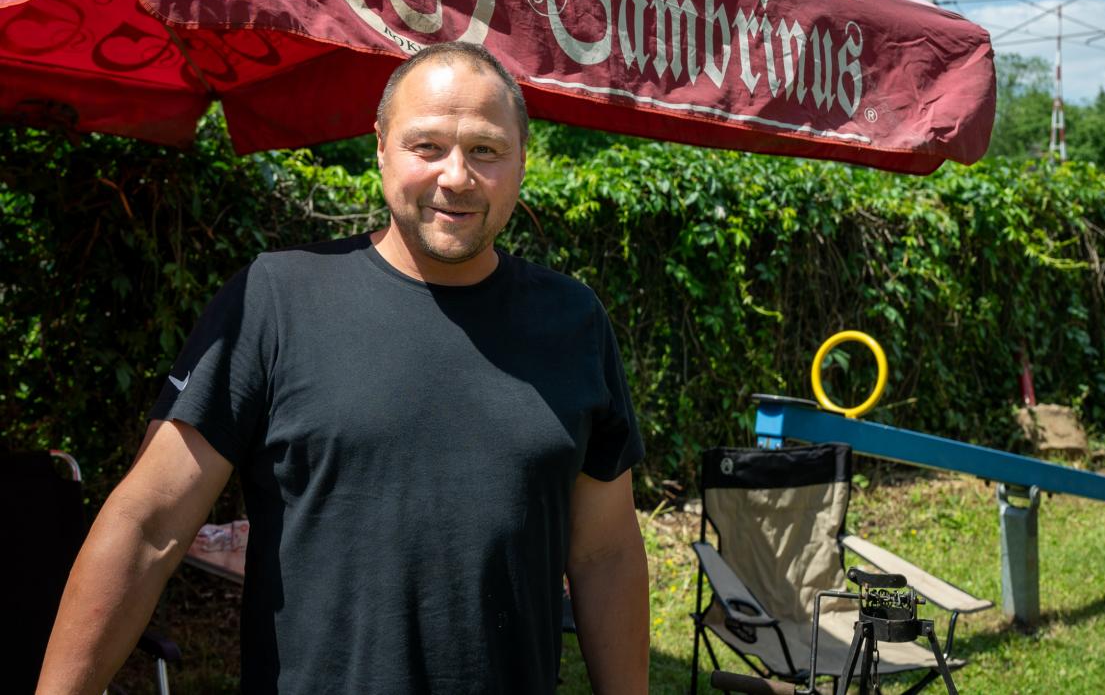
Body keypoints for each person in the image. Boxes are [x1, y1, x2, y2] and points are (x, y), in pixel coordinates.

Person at [37, 43, 650, 694]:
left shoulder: (574, 322)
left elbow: (605, 552)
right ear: (381, 147)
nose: (456, 176)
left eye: (485, 150)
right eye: (427, 146)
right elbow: (148, 527)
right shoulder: (276, 301)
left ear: (522, 158)